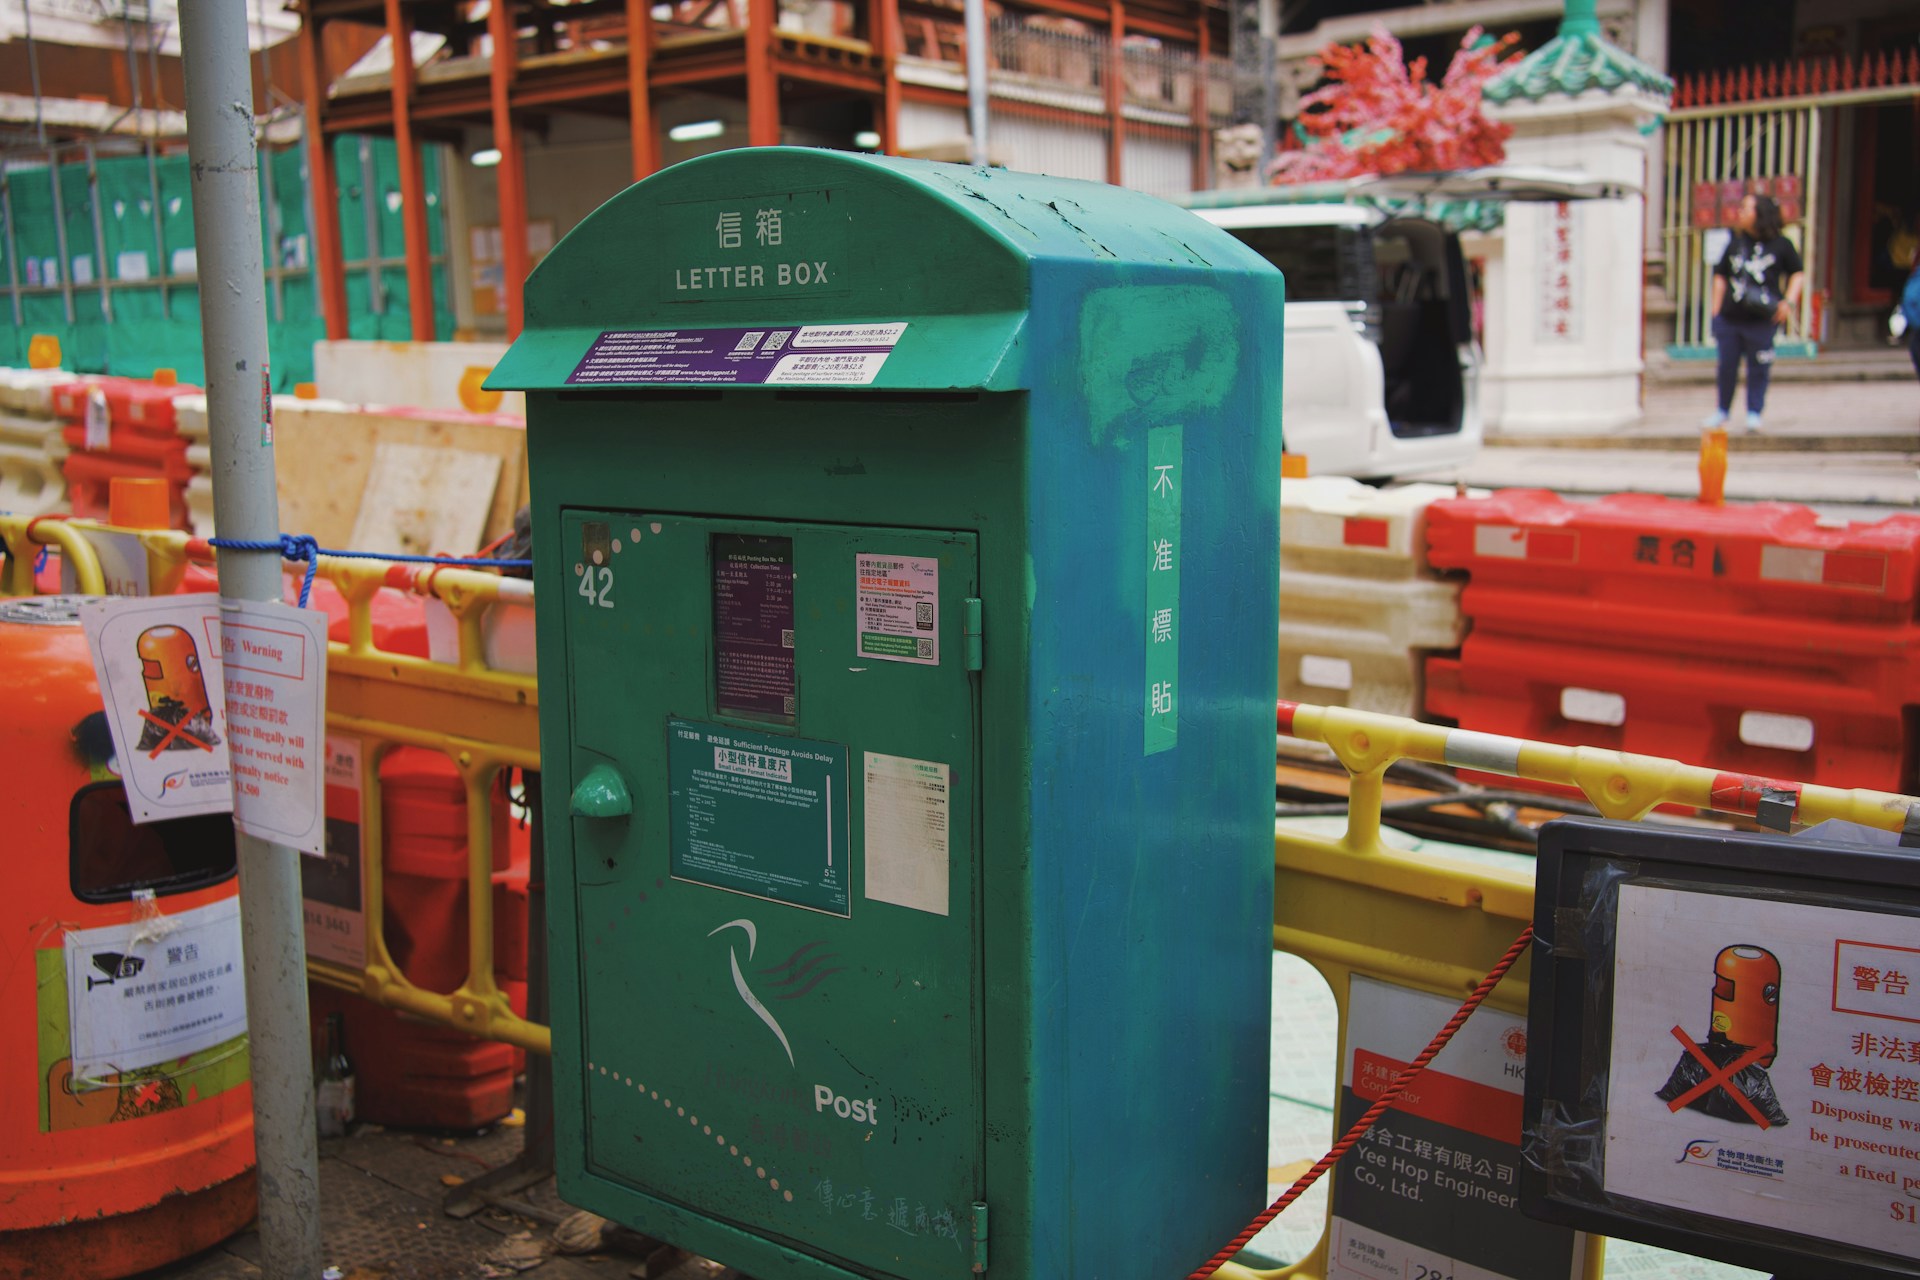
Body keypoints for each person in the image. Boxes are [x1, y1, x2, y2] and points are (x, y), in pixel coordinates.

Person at [1705, 193, 1805, 432]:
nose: (1739, 212)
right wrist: (1716, 310)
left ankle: (1754, 413)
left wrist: (1788, 303)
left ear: (1760, 213)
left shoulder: (1782, 245)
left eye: (1745, 208)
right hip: (1730, 318)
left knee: (1759, 367)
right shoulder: (1735, 242)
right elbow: (1720, 275)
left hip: (1762, 319)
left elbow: (1797, 273)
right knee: (1727, 366)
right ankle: (1722, 411)